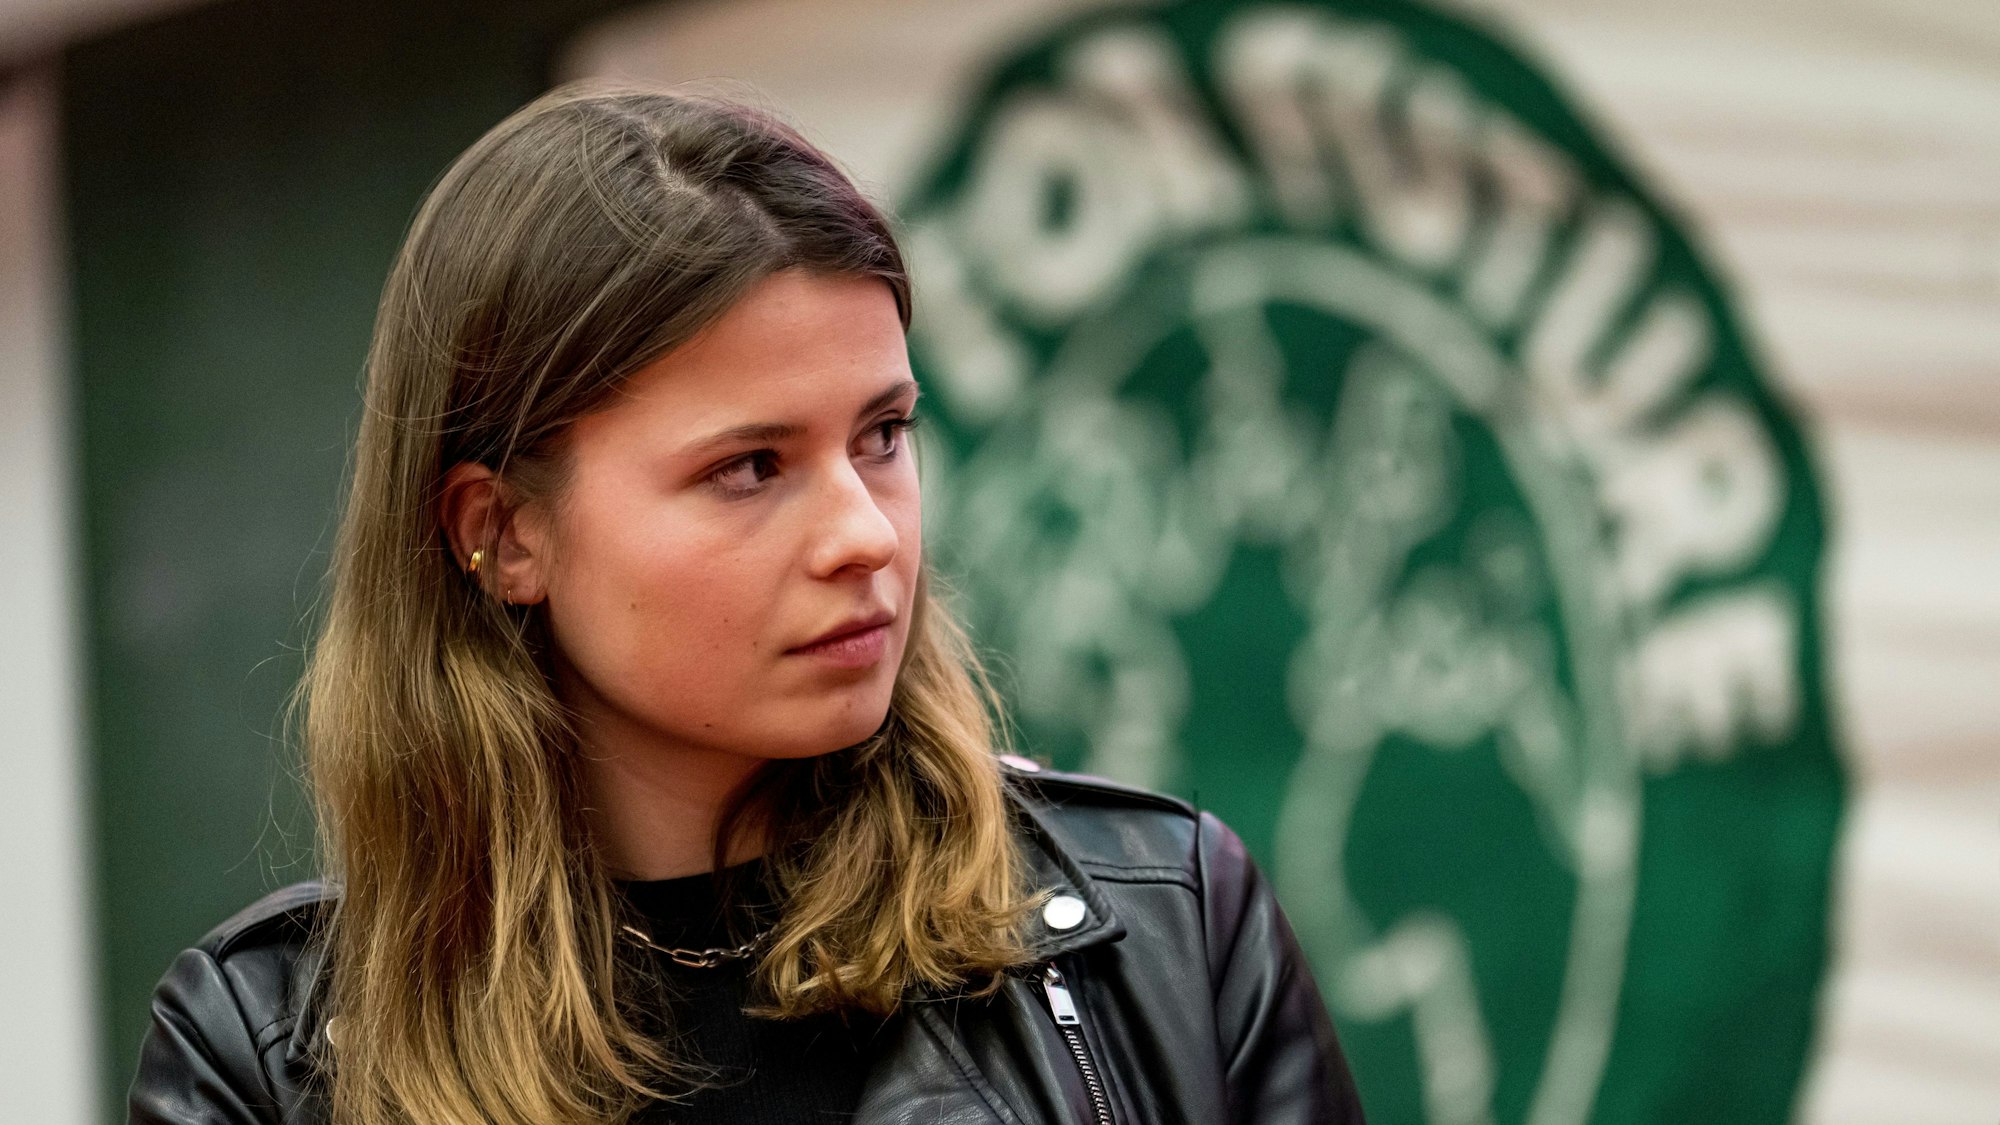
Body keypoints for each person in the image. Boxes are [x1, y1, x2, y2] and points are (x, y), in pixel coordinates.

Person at [127, 80, 1367, 1125]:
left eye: (883, 435)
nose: (863, 533)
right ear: (503, 533)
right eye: (750, 468)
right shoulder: (269, 1058)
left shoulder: (1161, 928)